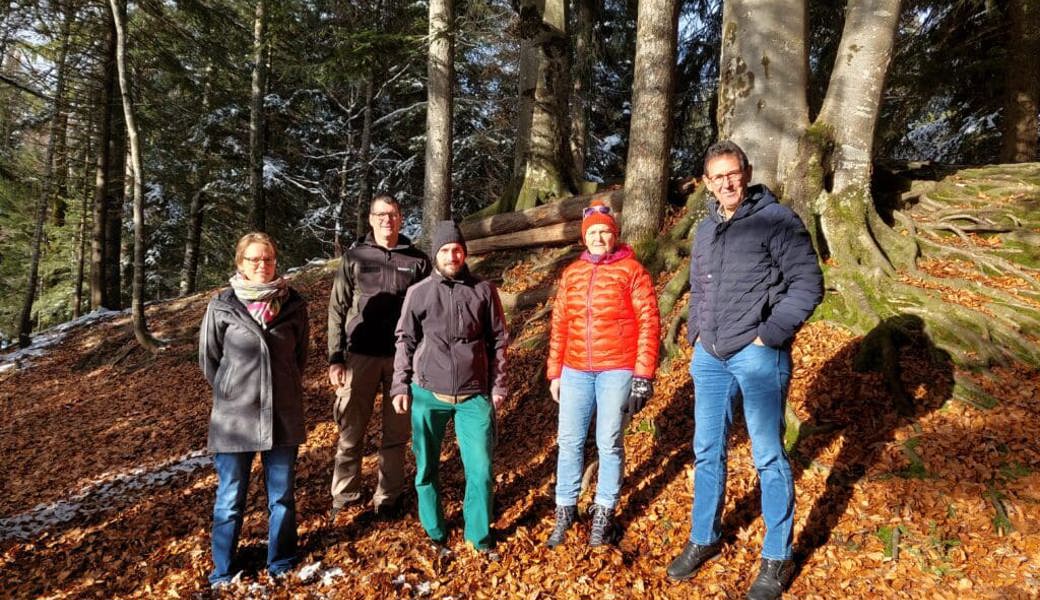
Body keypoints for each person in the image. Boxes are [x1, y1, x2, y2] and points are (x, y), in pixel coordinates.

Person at [666, 141, 823, 600]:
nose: (727, 183)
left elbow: (808, 283)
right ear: (707, 184)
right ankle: (703, 537)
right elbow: (699, 285)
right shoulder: (706, 229)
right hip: (709, 358)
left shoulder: (777, 220)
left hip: (757, 355)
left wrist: (769, 334)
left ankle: (777, 556)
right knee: (707, 450)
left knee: (768, 455)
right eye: (717, 178)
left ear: (747, 172)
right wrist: (695, 331)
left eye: (732, 174)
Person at [544, 199, 661, 548]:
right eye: (592, 232)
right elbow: (560, 325)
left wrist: (644, 374)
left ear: (614, 235)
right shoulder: (572, 274)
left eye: (604, 232)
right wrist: (555, 372)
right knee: (568, 442)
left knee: (608, 442)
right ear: (585, 237)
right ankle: (565, 511)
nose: (598, 237)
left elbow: (649, 323)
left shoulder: (633, 271)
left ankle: (603, 514)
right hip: (575, 369)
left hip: (617, 368)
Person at [390, 220, 509, 554]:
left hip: (474, 395)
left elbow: (499, 339)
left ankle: (479, 537)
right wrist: (400, 386)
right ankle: (435, 532)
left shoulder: (484, 290)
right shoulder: (419, 293)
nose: (452, 255)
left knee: (482, 470)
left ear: (464, 252)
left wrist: (498, 385)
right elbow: (405, 341)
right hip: (428, 394)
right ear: (436, 255)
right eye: (445, 250)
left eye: (457, 249)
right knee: (426, 467)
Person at [199, 232, 310, 587]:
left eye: (268, 259)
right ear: (240, 264)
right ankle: (223, 569)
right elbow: (209, 360)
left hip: (282, 414)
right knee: (230, 498)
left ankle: (281, 560)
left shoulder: (294, 304)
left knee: (282, 497)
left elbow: (300, 358)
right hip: (235, 420)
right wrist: (234, 389)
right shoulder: (222, 305)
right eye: (254, 259)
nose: (262, 265)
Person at [327, 194, 431, 520]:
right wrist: (335, 357)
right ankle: (345, 496)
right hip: (359, 356)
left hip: (403, 361)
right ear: (371, 219)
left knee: (396, 433)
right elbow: (337, 307)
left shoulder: (418, 261)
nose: (387, 220)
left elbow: (428, 313)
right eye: (381, 214)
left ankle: (389, 496)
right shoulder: (355, 256)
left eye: (393, 214)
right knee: (350, 431)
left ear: (401, 218)